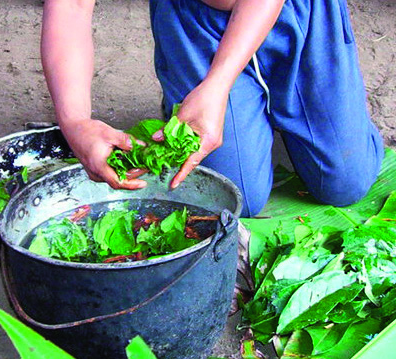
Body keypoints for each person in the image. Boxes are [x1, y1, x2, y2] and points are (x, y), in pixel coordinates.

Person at [41, 0, 384, 218]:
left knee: (345, 183)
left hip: (295, 10)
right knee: (237, 197)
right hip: (193, 23)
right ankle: (205, 100)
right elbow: (70, 7)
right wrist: (75, 122)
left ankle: (304, 105)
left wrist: (218, 84)